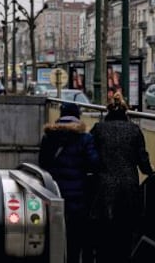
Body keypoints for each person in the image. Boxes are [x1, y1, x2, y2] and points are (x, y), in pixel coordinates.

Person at [89, 94, 153, 263]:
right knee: (126, 228)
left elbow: (91, 157)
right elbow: (143, 160)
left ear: (107, 111)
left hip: (105, 186)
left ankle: (104, 257)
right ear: (126, 111)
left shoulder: (98, 129)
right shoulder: (134, 130)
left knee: (105, 230)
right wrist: (151, 174)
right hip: (129, 186)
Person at [38, 102, 99, 263]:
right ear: (78, 117)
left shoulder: (49, 137)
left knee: (55, 235)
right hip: (78, 196)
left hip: (54, 194)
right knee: (75, 237)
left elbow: (42, 163)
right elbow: (93, 163)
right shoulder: (85, 138)